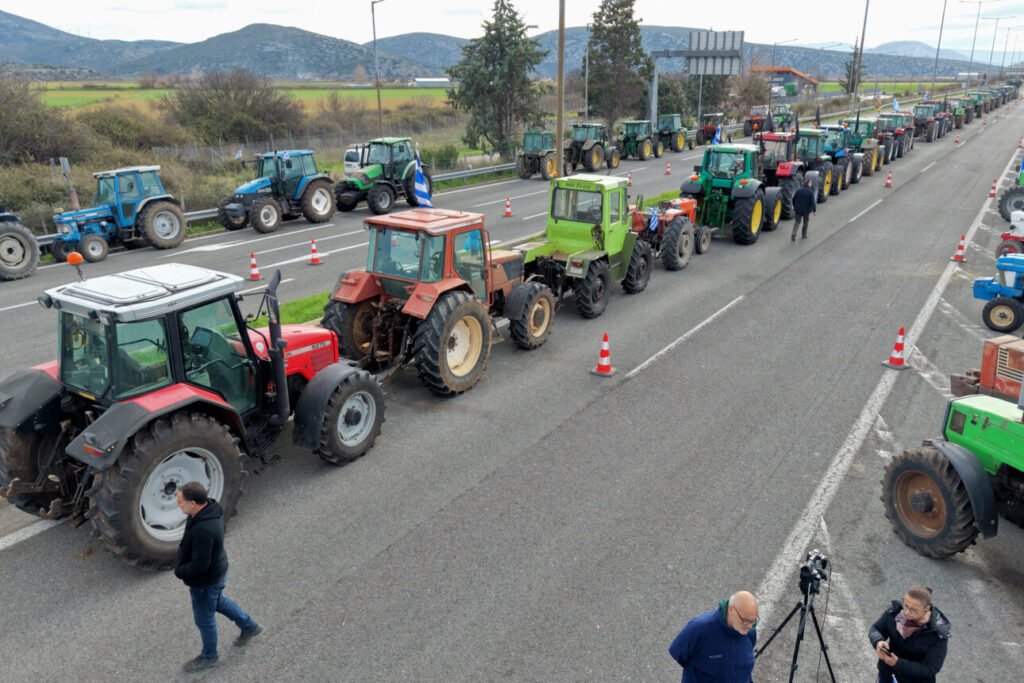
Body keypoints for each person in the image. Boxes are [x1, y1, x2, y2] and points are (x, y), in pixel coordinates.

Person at [175, 481, 262, 672]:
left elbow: (200, 565)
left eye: (180, 501)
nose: (177, 504)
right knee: (217, 601)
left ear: (193, 503)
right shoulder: (209, 508)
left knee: (204, 619)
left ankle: (209, 656)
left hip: (205, 581)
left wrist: (180, 571)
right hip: (217, 571)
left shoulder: (203, 530)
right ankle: (249, 626)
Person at [668, 591, 758, 682]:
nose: (750, 626)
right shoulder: (699, 629)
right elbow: (677, 652)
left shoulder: (748, 631)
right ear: (731, 610)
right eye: (745, 621)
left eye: (753, 621)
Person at [868, 585, 950, 683]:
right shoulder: (895, 612)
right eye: (906, 605)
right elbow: (876, 629)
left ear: (927, 608)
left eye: (914, 610)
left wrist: (897, 663)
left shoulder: (937, 633)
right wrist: (878, 641)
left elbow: (930, 669)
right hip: (887, 673)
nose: (906, 612)